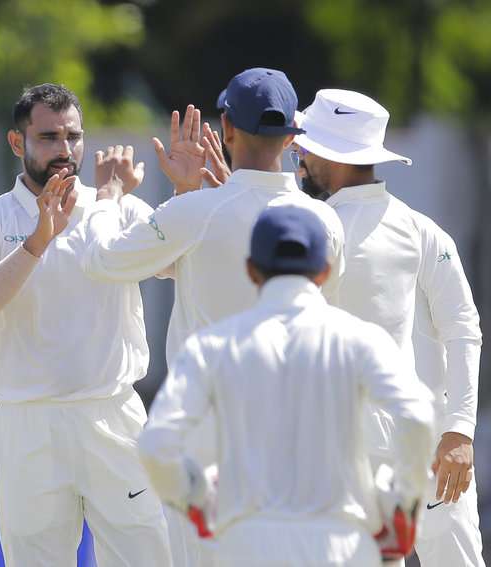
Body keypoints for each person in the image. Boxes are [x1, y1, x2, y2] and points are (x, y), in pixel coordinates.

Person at [78, 68, 346, 565]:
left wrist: (109, 197)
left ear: (226, 129)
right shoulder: (325, 220)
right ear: (293, 137)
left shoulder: (199, 212)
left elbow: (103, 260)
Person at [0, 83, 173, 566]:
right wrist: (36, 243)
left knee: (147, 556)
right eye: (48, 137)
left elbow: (181, 265)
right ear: (17, 142)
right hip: (28, 421)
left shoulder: (117, 206)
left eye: (73, 136)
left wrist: (190, 194)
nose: (64, 149)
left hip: (112, 413)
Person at [139, 205, 436, 566]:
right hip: (340, 545)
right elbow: (416, 416)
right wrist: (402, 505)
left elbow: (156, 444)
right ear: (325, 271)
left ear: (251, 270)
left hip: (246, 546)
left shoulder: (212, 346)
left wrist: (195, 498)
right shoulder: (362, 340)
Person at [293, 88, 483, 566]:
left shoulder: (314, 232)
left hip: (366, 449)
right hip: (428, 442)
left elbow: (463, 327)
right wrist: (458, 431)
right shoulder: (420, 228)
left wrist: (459, 431)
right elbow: (464, 329)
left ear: (333, 155)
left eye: (306, 147)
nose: (299, 156)